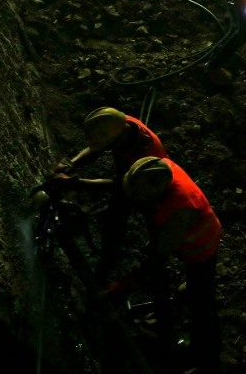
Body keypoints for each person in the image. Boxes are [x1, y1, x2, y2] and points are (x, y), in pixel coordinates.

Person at [108, 156, 226, 374]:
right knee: (194, 287)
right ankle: (193, 294)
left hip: (201, 248)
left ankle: (205, 351)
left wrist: (124, 286)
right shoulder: (161, 167)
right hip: (194, 239)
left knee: (201, 301)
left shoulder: (179, 209)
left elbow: (159, 258)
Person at [51, 107, 168, 279]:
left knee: (130, 225)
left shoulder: (145, 154)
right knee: (114, 217)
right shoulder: (117, 124)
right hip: (127, 176)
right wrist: (71, 163)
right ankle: (108, 259)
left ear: (119, 138)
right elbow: (95, 149)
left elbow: (118, 186)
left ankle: (114, 269)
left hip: (150, 189)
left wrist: (78, 183)